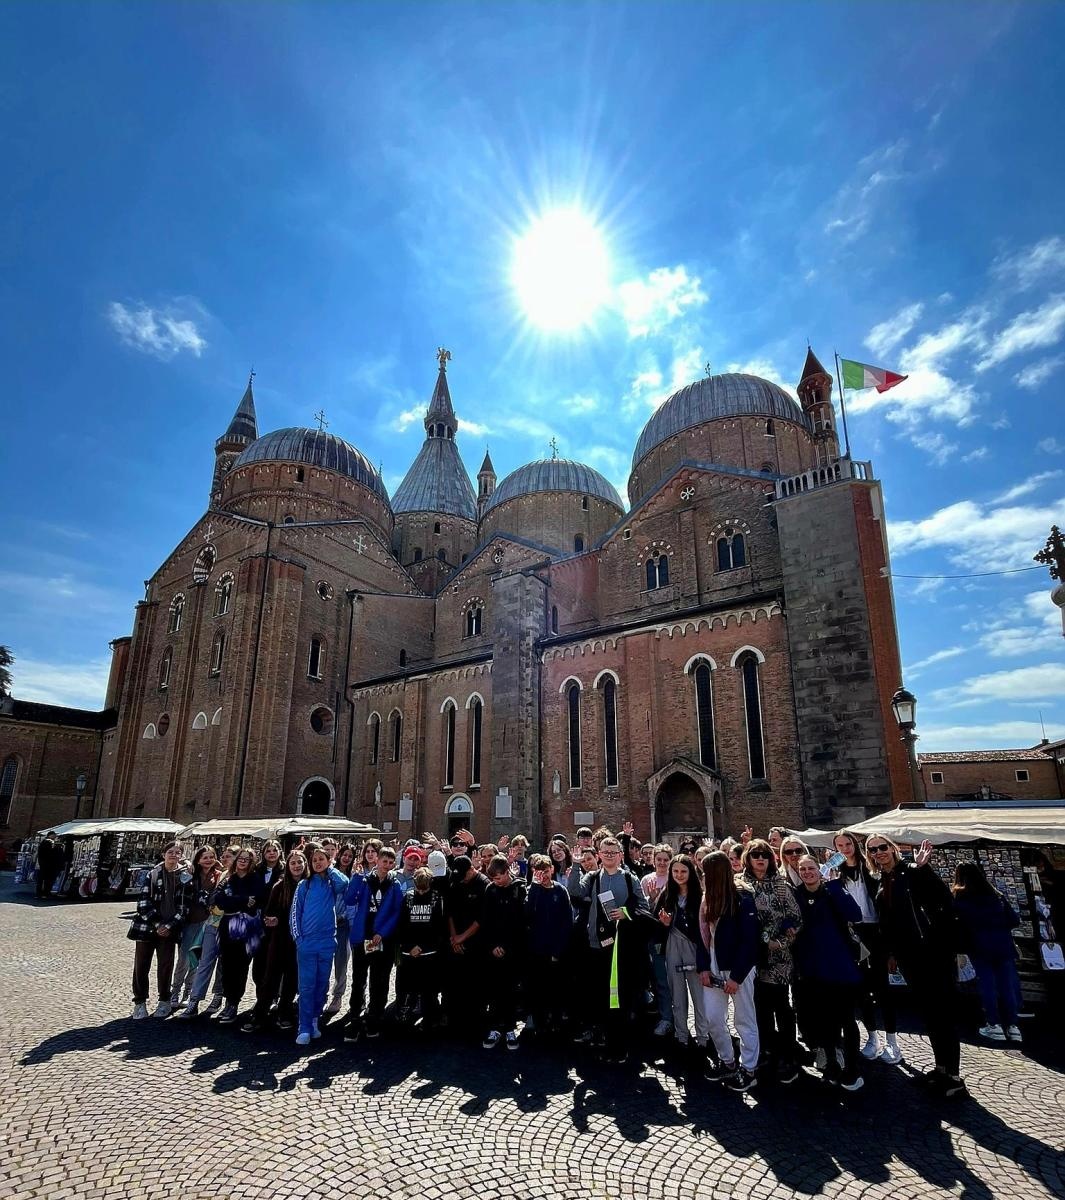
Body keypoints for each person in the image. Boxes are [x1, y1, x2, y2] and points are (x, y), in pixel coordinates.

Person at [870, 836, 966, 1099]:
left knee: (942, 1014)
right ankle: (940, 1068)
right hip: (908, 955)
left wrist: (924, 867)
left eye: (882, 847)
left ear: (892, 848)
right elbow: (887, 921)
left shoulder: (912, 872)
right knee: (929, 1013)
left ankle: (954, 1078)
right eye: (873, 849)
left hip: (932, 952)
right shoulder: (883, 881)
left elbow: (942, 898)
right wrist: (891, 952)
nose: (879, 852)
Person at [791, 854, 865, 1091]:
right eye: (802, 869)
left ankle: (853, 1069)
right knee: (824, 1021)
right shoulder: (796, 894)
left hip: (839, 967)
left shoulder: (833, 889)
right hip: (812, 970)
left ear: (819, 870)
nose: (807, 872)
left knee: (846, 1020)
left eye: (811, 868)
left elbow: (855, 914)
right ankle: (832, 1064)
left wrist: (833, 883)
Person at [578, 835, 652, 1059]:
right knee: (600, 995)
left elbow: (644, 907)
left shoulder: (630, 879)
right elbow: (575, 894)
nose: (609, 856)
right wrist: (574, 863)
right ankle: (605, 1039)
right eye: (605, 852)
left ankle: (620, 1045)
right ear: (599, 855)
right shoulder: (592, 878)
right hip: (597, 945)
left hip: (623, 947)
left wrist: (626, 913)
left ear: (621, 855)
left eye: (613, 852)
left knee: (621, 997)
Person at [833, 829, 899, 1063]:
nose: (844, 849)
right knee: (861, 989)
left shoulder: (871, 868)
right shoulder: (836, 872)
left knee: (883, 988)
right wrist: (829, 872)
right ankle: (872, 1037)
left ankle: (892, 1040)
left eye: (847, 844)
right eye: (839, 846)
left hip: (876, 931)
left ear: (855, 844)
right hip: (853, 933)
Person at [697, 851, 760, 1091]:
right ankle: (728, 1061)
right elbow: (701, 937)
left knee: (744, 1019)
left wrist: (737, 976)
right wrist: (703, 967)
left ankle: (749, 1068)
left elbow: (750, 941)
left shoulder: (743, 898)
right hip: (713, 962)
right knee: (713, 1017)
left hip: (737, 966)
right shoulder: (706, 899)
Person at [742, 838, 802, 1083]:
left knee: (780, 1005)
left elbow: (796, 920)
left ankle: (788, 1054)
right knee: (758, 1007)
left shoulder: (781, 885)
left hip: (778, 956)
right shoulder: (740, 884)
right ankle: (766, 1050)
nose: (760, 859)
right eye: (755, 854)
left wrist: (780, 943)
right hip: (751, 957)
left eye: (764, 855)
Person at [952, 861, 1022, 1042]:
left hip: (979, 946)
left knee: (987, 985)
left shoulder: (961, 896)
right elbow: (1014, 920)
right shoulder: (996, 895)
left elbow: (957, 924)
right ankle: (1013, 1027)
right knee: (1006, 985)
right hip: (1003, 945)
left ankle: (994, 1024)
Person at [289, 842, 348, 1046]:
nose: (317, 863)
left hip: (327, 942)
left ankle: (314, 1020)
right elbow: (295, 914)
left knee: (322, 985)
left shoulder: (332, 883)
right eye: (314, 860)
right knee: (306, 986)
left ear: (329, 860)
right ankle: (303, 1026)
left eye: (321, 859)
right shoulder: (304, 885)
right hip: (307, 941)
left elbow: (345, 885)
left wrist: (330, 868)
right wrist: (299, 939)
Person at [243, 849, 308, 1032]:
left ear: (305, 865)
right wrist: (274, 919)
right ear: (288, 866)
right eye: (293, 863)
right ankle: (260, 1015)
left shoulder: (309, 885)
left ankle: (284, 1013)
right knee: (270, 978)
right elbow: (269, 912)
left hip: (299, 940)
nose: (296, 866)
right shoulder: (280, 886)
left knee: (291, 979)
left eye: (300, 862)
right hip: (279, 939)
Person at [653, 854, 711, 1055]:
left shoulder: (699, 896)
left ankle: (703, 1036)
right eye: (675, 871)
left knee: (699, 996)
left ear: (690, 873)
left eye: (683, 871)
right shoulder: (666, 894)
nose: (679, 875)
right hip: (673, 946)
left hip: (694, 948)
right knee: (677, 995)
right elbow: (656, 927)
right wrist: (665, 924)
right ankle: (681, 1035)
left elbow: (705, 927)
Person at [127, 841, 192, 1019]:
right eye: (170, 852)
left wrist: (168, 926)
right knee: (141, 966)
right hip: (147, 927)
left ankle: (164, 1001)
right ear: (164, 854)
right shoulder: (153, 874)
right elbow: (143, 903)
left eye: (177, 852)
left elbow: (185, 907)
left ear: (181, 855)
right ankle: (139, 1003)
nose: (173, 855)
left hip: (169, 930)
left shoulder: (185, 876)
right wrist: (158, 924)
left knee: (165, 966)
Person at [345, 845, 402, 1038]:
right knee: (359, 979)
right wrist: (354, 878)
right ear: (376, 861)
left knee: (379, 980)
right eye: (383, 861)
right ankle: (354, 1016)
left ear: (394, 864)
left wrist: (383, 932)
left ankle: (375, 1016)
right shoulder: (363, 880)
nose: (386, 865)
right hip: (363, 937)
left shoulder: (394, 885)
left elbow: (396, 912)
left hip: (381, 939)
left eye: (390, 862)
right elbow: (350, 899)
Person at [178, 845, 237, 1019]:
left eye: (228, 856)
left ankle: (219, 998)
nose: (223, 859)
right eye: (223, 856)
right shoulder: (222, 875)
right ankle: (194, 1001)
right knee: (204, 962)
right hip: (213, 923)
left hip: (233, 924)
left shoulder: (241, 877)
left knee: (224, 966)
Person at [480, 854, 528, 1050]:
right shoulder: (490, 890)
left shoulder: (519, 889)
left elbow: (521, 922)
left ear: (507, 873)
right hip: (493, 948)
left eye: (499, 878)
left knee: (510, 990)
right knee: (494, 990)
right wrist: (493, 945)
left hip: (513, 948)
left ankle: (509, 1028)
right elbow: (486, 920)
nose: (496, 882)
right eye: (493, 879)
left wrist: (507, 946)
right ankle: (495, 1027)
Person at [211, 847, 263, 1025]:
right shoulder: (228, 878)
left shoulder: (255, 879)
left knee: (240, 966)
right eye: (240, 858)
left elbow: (254, 903)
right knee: (226, 965)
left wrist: (233, 901)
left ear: (251, 862)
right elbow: (218, 900)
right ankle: (227, 1001)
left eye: (247, 859)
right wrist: (241, 900)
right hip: (227, 926)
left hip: (245, 928)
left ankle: (234, 1002)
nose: (242, 861)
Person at [524, 853, 574, 1038]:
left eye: (545, 871)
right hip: (536, 949)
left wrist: (558, 949)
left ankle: (555, 1021)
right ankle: (538, 1022)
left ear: (552, 870)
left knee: (555, 988)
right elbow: (527, 914)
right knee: (537, 988)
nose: (543, 876)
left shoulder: (560, 891)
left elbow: (566, 922)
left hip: (555, 949)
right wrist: (535, 888)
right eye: (539, 872)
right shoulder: (532, 890)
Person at [170, 846, 222, 1008]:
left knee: (196, 959)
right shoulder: (191, 872)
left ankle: (188, 992)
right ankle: (175, 992)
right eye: (205, 857)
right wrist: (186, 862)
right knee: (184, 958)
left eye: (211, 857)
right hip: (190, 920)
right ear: (198, 859)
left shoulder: (218, 875)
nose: (208, 860)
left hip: (208, 921)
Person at [396, 866, 448, 1026]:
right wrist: (410, 946)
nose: (421, 892)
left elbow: (440, 927)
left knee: (429, 990)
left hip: (429, 952)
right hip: (408, 953)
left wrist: (424, 946)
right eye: (419, 889)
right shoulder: (408, 897)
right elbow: (401, 925)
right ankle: (404, 1014)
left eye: (424, 889)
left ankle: (430, 1018)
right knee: (405, 987)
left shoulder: (436, 898)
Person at [445, 854, 488, 1035]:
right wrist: (454, 937)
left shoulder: (483, 885)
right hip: (457, 942)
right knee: (456, 984)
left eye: (464, 875)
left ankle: (474, 1024)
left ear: (472, 870)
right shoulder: (456, 881)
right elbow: (450, 912)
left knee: (475, 986)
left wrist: (462, 937)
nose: (461, 879)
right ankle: (455, 1022)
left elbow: (482, 918)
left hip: (476, 943)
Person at [642, 844, 675, 1038]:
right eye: (659, 859)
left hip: (672, 935)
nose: (662, 863)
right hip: (652, 935)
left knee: (670, 981)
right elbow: (641, 907)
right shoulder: (647, 879)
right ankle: (662, 1016)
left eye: (665, 859)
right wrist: (651, 899)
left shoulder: (674, 879)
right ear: (653, 860)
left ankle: (671, 1018)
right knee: (657, 978)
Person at [324, 843, 357, 1016]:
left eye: (350, 856)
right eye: (344, 854)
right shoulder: (328, 873)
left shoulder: (355, 875)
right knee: (322, 961)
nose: (346, 858)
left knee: (341, 962)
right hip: (326, 923)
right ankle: (321, 993)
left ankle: (337, 995)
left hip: (344, 924)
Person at [35, 831, 62, 899]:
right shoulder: (48, 843)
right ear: (50, 835)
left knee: (42, 880)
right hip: (48, 865)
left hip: (43, 864)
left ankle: (40, 893)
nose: (55, 837)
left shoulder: (43, 843)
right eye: (54, 835)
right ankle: (45, 893)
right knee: (47, 880)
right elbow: (51, 854)